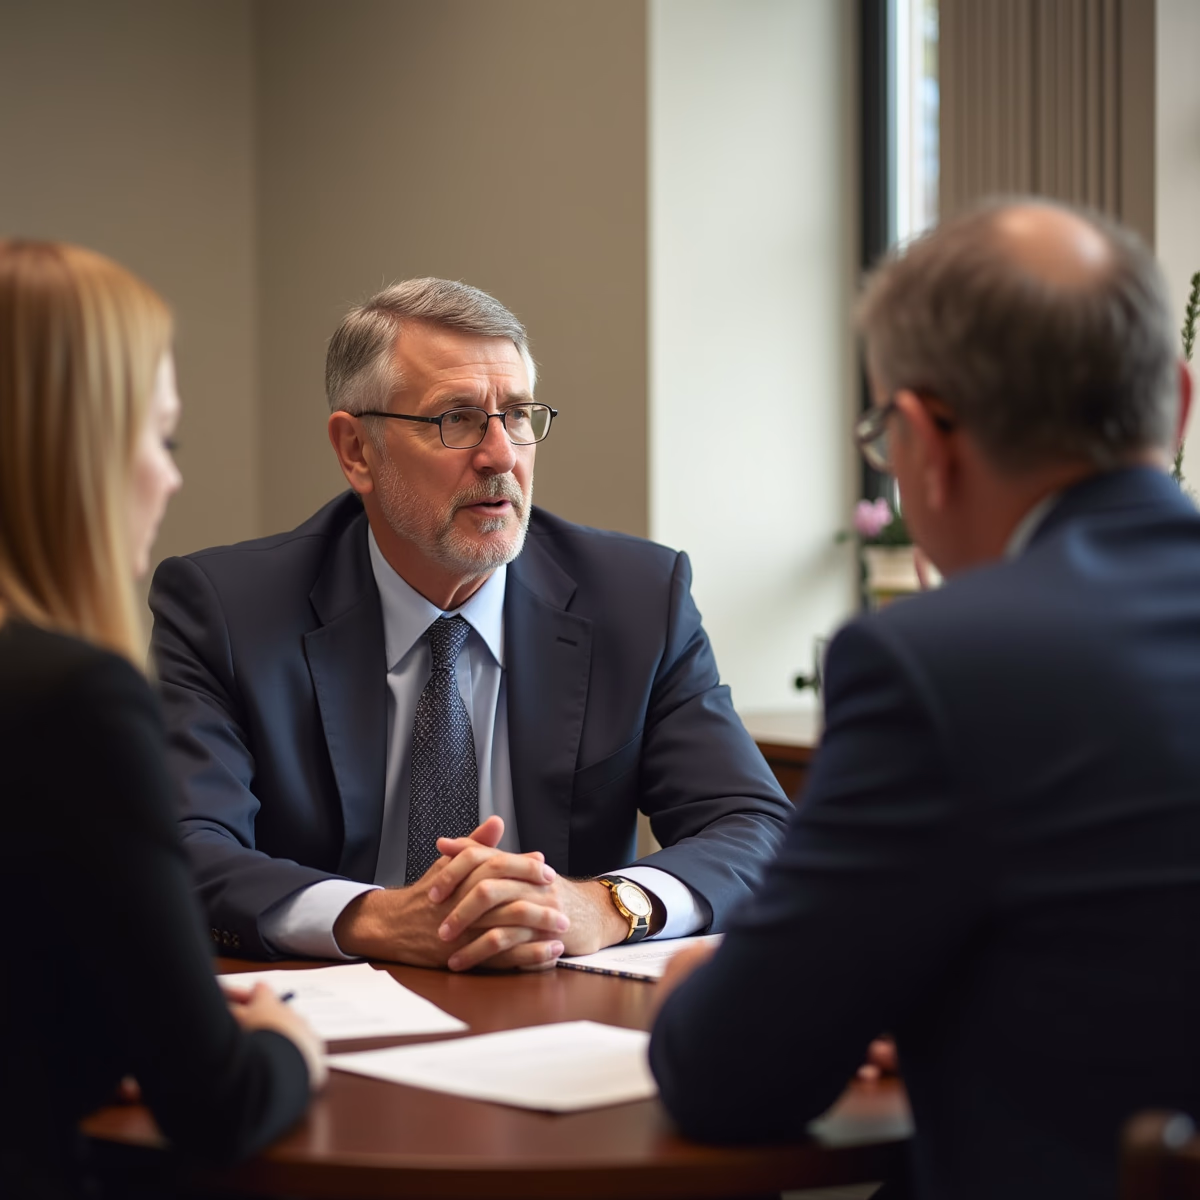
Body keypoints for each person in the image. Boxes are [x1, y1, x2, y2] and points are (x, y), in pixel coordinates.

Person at [649, 199, 1200, 1200]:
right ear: (1179, 402)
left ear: (917, 438)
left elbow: (730, 1077)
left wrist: (698, 991)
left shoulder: (943, 664)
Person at [149, 277, 790, 970]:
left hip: (559, 1012)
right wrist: (373, 917)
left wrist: (603, 907)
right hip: (326, 1018)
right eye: (455, 419)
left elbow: (753, 826)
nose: (500, 455)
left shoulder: (636, 599)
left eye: (516, 415)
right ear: (356, 451)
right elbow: (184, 844)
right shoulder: (227, 609)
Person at [0, 239, 324, 1199]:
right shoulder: (74, 704)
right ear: (80, 448)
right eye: (163, 438)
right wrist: (284, 1041)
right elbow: (214, 1101)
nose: (172, 479)